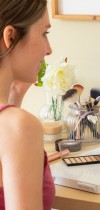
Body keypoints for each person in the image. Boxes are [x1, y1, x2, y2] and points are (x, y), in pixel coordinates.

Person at [0, 0, 54, 209]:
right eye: (44, 33)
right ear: (10, 37)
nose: (49, 49)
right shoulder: (21, 128)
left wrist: (14, 97)